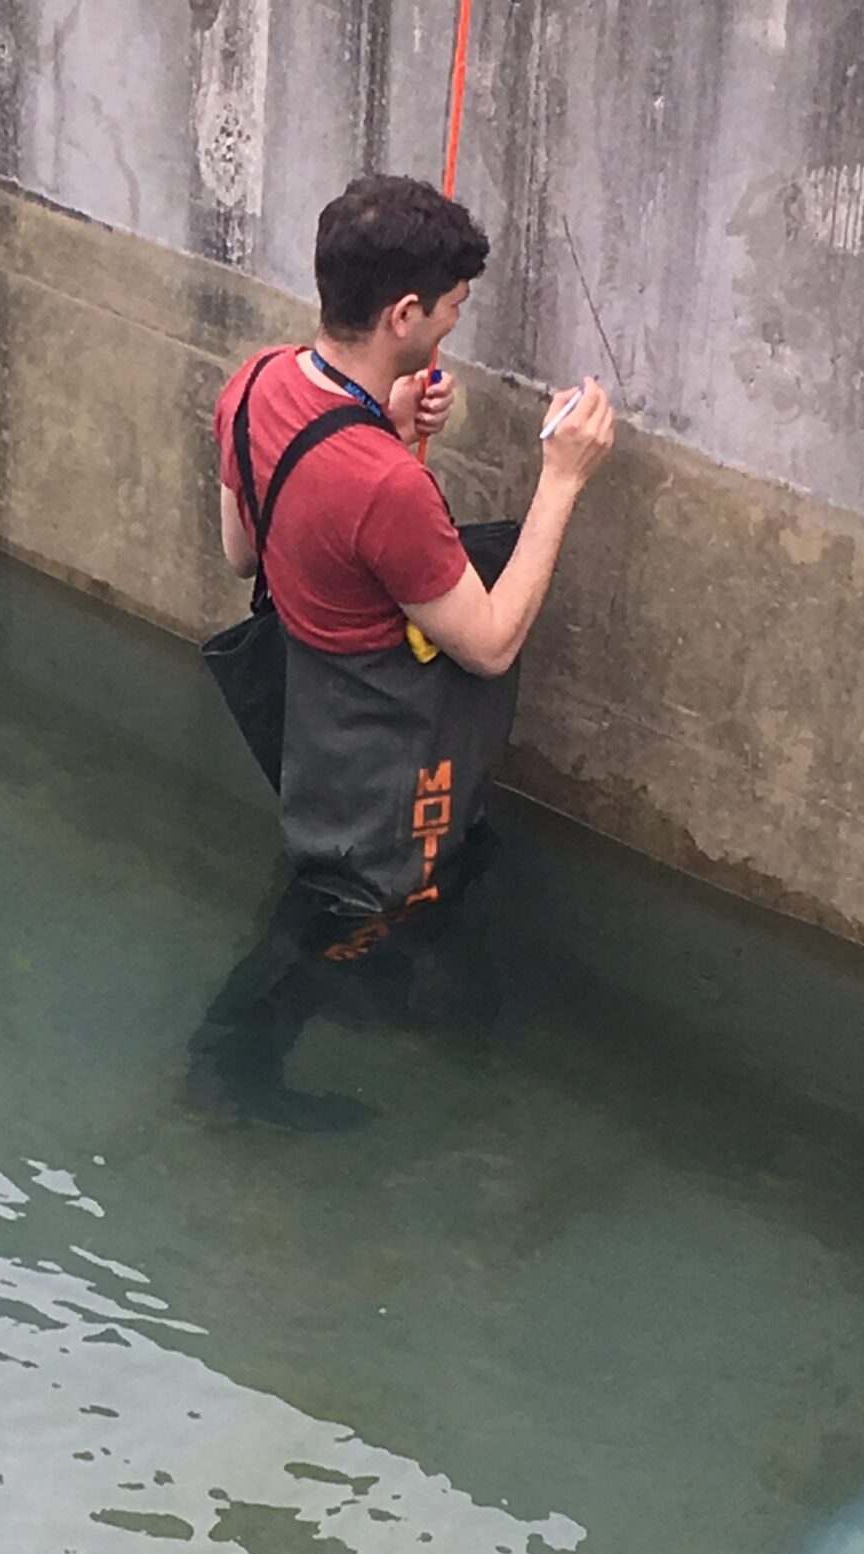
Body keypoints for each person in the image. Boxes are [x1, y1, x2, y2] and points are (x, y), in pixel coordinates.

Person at [191, 175, 615, 1123]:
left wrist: (376, 422)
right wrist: (563, 478)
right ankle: (229, 1069)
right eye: (454, 309)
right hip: (387, 754)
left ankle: (342, 1023)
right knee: (352, 913)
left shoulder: (253, 382)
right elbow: (495, 644)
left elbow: (239, 552)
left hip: (317, 717)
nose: (456, 327)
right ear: (405, 313)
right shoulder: (388, 490)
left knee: (344, 882)